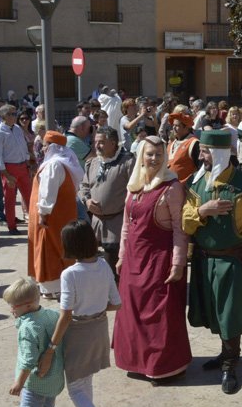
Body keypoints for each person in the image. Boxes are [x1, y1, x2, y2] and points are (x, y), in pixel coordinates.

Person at [182, 130, 242, 395]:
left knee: (230, 314)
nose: (201, 156)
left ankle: (229, 363)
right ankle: (226, 353)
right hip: (204, 261)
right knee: (213, 312)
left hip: (232, 261)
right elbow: (185, 221)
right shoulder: (195, 183)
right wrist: (203, 211)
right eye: (202, 151)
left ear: (220, 153)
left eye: (205, 151)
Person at [37, 221, 122, 407]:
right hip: (99, 329)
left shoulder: (70, 274)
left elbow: (65, 315)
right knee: (86, 385)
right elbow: (116, 303)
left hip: (78, 334)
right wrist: (97, 308)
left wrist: (51, 348)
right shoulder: (103, 265)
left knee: (76, 389)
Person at [113, 136, 191, 385]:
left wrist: (178, 264)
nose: (154, 159)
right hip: (134, 260)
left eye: (159, 154)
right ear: (141, 156)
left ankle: (165, 367)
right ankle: (138, 362)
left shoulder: (171, 187)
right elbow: (126, 226)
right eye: (149, 154)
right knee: (133, 313)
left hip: (159, 262)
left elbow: (180, 228)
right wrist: (121, 257)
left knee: (160, 316)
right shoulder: (134, 186)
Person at [3, 277, 65, 407]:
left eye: (13, 306)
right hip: (54, 377)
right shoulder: (51, 315)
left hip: (35, 382)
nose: (11, 310)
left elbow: (28, 360)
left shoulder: (27, 328)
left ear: (28, 305)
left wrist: (19, 383)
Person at [28, 132, 83, 299]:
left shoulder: (54, 165)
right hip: (61, 215)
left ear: (52, 147)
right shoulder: (63, 164)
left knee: (49, 248)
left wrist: (43, 214)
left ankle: (52, 288)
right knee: (60, 246)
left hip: (51, 217)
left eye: (45, 145)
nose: (43, 149)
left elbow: (48, 192)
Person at [79, 127, 135, 275]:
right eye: (95, 142)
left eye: (101, 142)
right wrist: (87, 201)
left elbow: (136, 191)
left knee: (114, 267)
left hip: (117, 223)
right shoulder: (92, 163)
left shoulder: (128, 162)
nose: (97, 146)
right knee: (90, 263)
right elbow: (84, 186)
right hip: (96, 222)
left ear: (113, 143)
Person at [0, 104, 35, 234]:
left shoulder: (17, 128)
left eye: (15, 113)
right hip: (9, 169)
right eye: (12, 114)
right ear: (4, 116)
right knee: (10, 199)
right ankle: (11, 226)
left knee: (30, 196)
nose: (15, 116)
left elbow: (23, 147)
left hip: (23, 167)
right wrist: (6, 174)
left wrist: (28, 164)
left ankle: (35, 223)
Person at [166, 108, 200, 183]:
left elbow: (200, 169)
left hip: (185, 187)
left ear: (186, 127)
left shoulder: (194, 143)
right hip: (170, 186)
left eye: (177, 125)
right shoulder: (171, 144)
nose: (173, 128)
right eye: (173, 125)